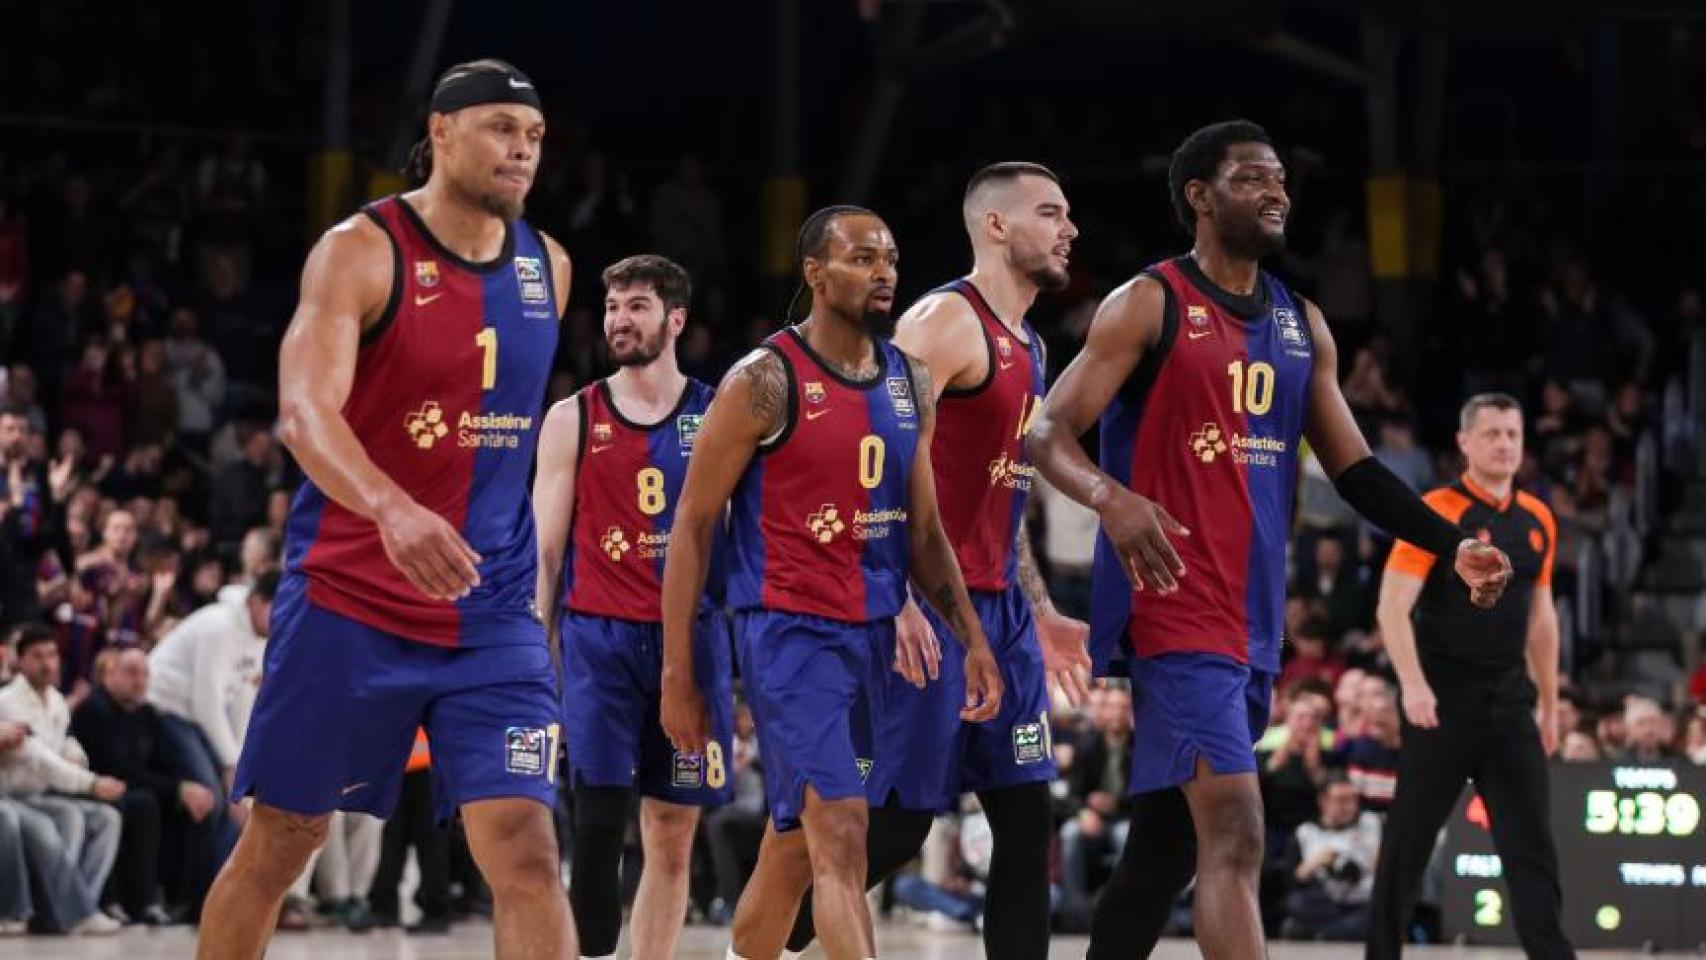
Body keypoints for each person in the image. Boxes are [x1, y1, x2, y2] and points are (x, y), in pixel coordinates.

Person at [1025, 119, 1512, 960]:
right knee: (1239, 834)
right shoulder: (1149, 301)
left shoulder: (1303, 324)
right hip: (1174, 609)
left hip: (1251, 620)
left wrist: (1450, 540)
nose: (1276, 190)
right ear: (1201, 198)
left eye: (1280, 176)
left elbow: (1355, 469)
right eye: (1251, 178)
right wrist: (1113, 499)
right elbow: (1046, 431)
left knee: (1164, 852)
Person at [197, 59, 578, 960]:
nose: (521, 150)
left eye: (533, 137)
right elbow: (303, 413)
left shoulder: (550, 267)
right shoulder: (360, 250)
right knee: (285, 836)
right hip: (351, 603)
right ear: (440, 133)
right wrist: (392, 508)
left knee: (527, 848)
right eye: (499, 129)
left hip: (490, 610)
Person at [660, 205, 1002, 960]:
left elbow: (924, 532)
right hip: (787, 632)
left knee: (795, 845)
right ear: (815, 273)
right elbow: (691, 525)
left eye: (889, 258)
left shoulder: (910, 381)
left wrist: (972, 638)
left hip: (877, 635)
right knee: (843, 834)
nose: (882, 271)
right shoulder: (764, 381)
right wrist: (679, 669)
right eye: (860, 258)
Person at [786, 162, 1089, 960]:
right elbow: (872, 463)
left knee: (1027, 821)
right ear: (995, 226)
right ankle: (762, 938)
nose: (1070, 230)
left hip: (1004, 615)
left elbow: (1005, 497)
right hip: (928, 609)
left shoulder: (1031, 344)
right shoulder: (943, 323)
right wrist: (903, 601)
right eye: (1050, 213)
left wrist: (1043, 607)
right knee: (897, 824)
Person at [531, 254, 733, 960]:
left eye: (637, 306)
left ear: (675, 320)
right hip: (599, 643)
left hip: (690, 643)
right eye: (614, 306)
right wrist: (534, 651)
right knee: (596, 827)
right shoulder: (572, 416)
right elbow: (545, 553)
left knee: (673, 834)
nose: (620, 319)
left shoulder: (717, 413)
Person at [1369, 392, 1575, 959]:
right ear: (1464, 442)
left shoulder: (1538, 519)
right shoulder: (1436, 510)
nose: (1505, 444)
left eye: (1513, 433)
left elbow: (1542, 618)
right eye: (1492, 434)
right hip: (1442, 699)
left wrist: (1551, 706)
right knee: (1408, 844)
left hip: (1510, 700)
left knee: (1531, 847)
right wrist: (1411, 684)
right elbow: (1392, 608)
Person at [71, 647, 220, 924]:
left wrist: (186, 788)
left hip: (140, 786)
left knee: (199, 802)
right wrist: (176, 788)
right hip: (99, 789)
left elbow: (165, 762)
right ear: (110, 674)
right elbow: (118, 767)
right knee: (145, 804)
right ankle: (141, 901)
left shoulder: (148, 714)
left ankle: (189, 903)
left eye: (145, 674)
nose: (139, 681)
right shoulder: (95, 709)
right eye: (131, 672)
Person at [1282, 772, 1380, 941]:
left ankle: (1319, 933)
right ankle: (1332, 932)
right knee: (1297, 903)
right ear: (1323, 802)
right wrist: (1312, 864)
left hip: (1364, 900)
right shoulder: (1306, 833)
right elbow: (1290, 881)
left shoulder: (1372, 823)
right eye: (1340, 800)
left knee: (1378, 915)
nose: (1347, 806)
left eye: (1352, 799)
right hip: (1326, 900)